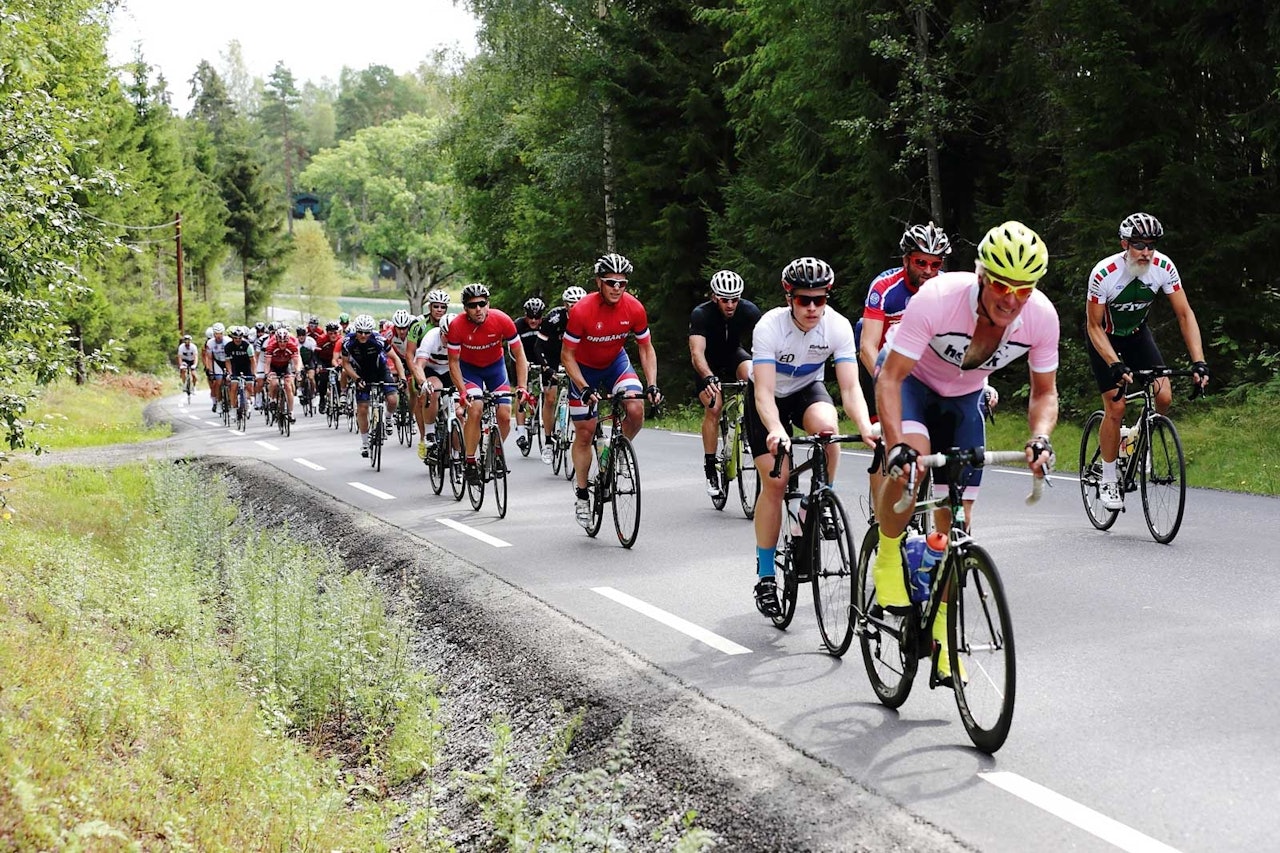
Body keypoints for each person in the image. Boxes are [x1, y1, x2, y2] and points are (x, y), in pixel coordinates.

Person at [873, 221, 1059, 686]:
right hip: (913, 385)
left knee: (956, 527)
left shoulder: (1042, 317)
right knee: (909, 474)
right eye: (1000, 283)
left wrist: (1040, 437)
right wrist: (896, 445)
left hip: (963, 402)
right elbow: (891, 378)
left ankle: (942, 640)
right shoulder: (936, 299)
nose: (1010, 298)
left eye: (1023, 288)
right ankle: (889, 554)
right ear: (980, 275)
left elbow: (1044, 392)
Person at [748, 258, 874, 618]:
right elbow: (764, 394)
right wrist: (775, 429)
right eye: (805, 300)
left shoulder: (836, 326)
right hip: (768, 397)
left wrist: (865, 426)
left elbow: (850, 389)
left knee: (828, 431)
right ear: (790, 298)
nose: (814, 308)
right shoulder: (769, 327)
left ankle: (819, 499)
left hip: (806, 389)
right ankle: (767, 575)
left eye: (821, 299)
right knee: (777, 480)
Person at [1085, 212, 1209, 510]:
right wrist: (1114, 363)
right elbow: (1093, 326)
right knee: (1116, 406)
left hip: (1138, 335)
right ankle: (1109, 477)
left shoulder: (1164, 267)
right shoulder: (1104, 273)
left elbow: (1184, 314)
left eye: (1151, 244)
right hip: (1105, 337)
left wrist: (1199, 361)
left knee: (1164, 396)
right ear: (1124, 243)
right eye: (1139, 244)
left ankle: (1134, 438)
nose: (1146, 252)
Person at [562, 253, 663, 527]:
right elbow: (567, 355)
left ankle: (617, 452)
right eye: (610, 282)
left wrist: (652, 383)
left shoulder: (634, 308)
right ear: (599, 282)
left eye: (622, 283)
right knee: (585, 432)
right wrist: (583, 387)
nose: (617, 288)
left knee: (635, 408)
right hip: (584, 369)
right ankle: (583, 494)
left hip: (616, 363)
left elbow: (645, 347)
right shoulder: (582, 310)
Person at [856, 222, 952, 420]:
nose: (928, 270)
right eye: (921, 263)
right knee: (860, 327)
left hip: (921, 363)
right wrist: (888, 381)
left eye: (935, 264)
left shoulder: (946, 288)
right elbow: (867, 347)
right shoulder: (884, 287)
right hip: (884, 360)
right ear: (906, 260)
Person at [445, 283, 531, 482]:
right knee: (475, 408)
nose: (478, 309)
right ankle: (470, 462)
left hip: (495, 369)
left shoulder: (502, 320)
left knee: (504, 415)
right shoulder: (457, 326)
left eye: (482, 304)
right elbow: (453, 362)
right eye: (473, 305)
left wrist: (522, 387)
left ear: (488, 304)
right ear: (465, 308)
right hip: (470, 370)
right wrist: (462, 391)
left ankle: (496, 453)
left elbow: (519, 354)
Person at [689, 270, 762, 497]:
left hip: (733, 356)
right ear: (714, 297)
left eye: (735, 299)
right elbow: (697, 353)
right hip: (707, 363)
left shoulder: (749, 311)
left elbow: (763, 346)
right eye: (725, 300)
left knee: (755, 375)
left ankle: (748, 429)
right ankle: (711, 467)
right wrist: (708, 377)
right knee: (714, 407)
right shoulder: (701, 314)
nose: (730, 305)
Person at [535, 285, 587, 463]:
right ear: (566, 305)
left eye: (580, 304)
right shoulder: (554, 319)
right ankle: (548, 441)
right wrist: (547, 368)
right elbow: (538, 346)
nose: (577, 308)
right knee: (550, 398)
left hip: (573, 356)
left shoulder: (588, 317)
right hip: (551, 356)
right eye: (572, 304)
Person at [341, 313, 403, 457]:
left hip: (380, 370)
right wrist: (356, 379)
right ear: (355, 330)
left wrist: (402, 377)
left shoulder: (379, 339)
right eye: (360, 332)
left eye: (367, 332)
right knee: (362, 409)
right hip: (361, 374)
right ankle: (364, 443)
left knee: (393, 400)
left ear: (371, 332)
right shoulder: (348, 342)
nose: (363, 335)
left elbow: (395, 358)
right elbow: (345, 363)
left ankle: (388, 417)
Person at [406, 290, 452, 444]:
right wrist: (418, 377)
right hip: (423, 364)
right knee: (422, 398)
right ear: (430, 307)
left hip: (447, 366)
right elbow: (410, 354)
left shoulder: (452, 324)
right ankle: (423, 437)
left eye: (443, 307)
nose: (439, 310)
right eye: (436, 306)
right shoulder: (419, 326)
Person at [411, 312, 456, 461]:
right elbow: (419, 365)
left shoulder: (461, 339)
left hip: (451, 370)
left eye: (453, 337)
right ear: (441, 331)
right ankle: (429, 434)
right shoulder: (431, 336)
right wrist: (423, 383)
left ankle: (458, 453)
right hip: (431, 369)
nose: (449, 340)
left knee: (460, 412)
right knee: (433, 389)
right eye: (446, 336)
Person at [513, 297, 546, 454]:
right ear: (525, 315)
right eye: (530, 317)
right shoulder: (518, 325)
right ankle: (520, 433)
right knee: (522, 394)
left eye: (537, 317)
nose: (534, 320)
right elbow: (511, 349)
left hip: (540, 360)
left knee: (546, 390)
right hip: (522, 360)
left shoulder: (546, 325)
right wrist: (521, 363)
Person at [263, 327, 302, 423]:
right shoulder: (271, 347)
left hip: (285, 366)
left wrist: (297, 372)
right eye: (280, 342)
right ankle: (272, 399)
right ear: (276, 340)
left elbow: (296, 363)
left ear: (288, 340)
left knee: (288, 386)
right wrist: (267, 374)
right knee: (274, 383)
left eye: (284, 341)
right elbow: (267, 364)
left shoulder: (292, 346)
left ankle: (291, 412)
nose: (282, 344)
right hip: (273, 367)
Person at [222, 327, 257, 419]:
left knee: (249, 386)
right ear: (232, 338)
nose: (238, 340)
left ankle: (248, 401)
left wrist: (254, 373)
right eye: (235, 338)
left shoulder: (247, 345)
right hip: (235, 367)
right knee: (233, 386)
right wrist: (230, 373)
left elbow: (253, 360)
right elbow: (228, 361)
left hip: (247, 366)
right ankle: (233, 408)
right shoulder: (228, 347)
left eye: (240, 338)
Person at [202, 323, 229, 412]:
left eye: (220, 333)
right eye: (216, 334)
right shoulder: (210, 343)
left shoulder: (228, 341)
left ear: (223, 333)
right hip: (217, 362)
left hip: (227, 361)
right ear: (214, 334)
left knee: (230, 381)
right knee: (218, 382)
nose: (219, 336)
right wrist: (210, 371)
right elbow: (209, 358)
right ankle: (219, 402)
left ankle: (230, 400)